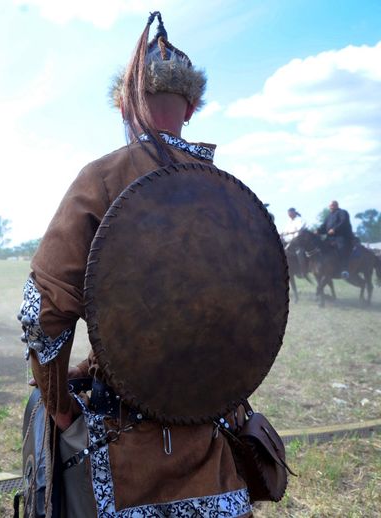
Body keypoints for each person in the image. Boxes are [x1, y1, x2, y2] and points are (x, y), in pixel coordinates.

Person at [18, 13, 256, 518]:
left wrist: (61, 409)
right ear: (190, 108)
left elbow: (42, 312)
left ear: (125, 101)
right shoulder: (230, 195)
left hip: (124, 457)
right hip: (213, 448)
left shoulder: (102, 178)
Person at [319, 200, 353, 278]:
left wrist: (334, 229)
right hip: (330, 238)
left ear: (337, 205)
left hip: (342, 237)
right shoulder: (329, 216)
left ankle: (344, 270)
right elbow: (324, 227)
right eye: (330, 205)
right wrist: (318, 231)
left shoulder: (343, 212)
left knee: (341, 249)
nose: (331, 207)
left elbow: (343, 222)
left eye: (333, 205)